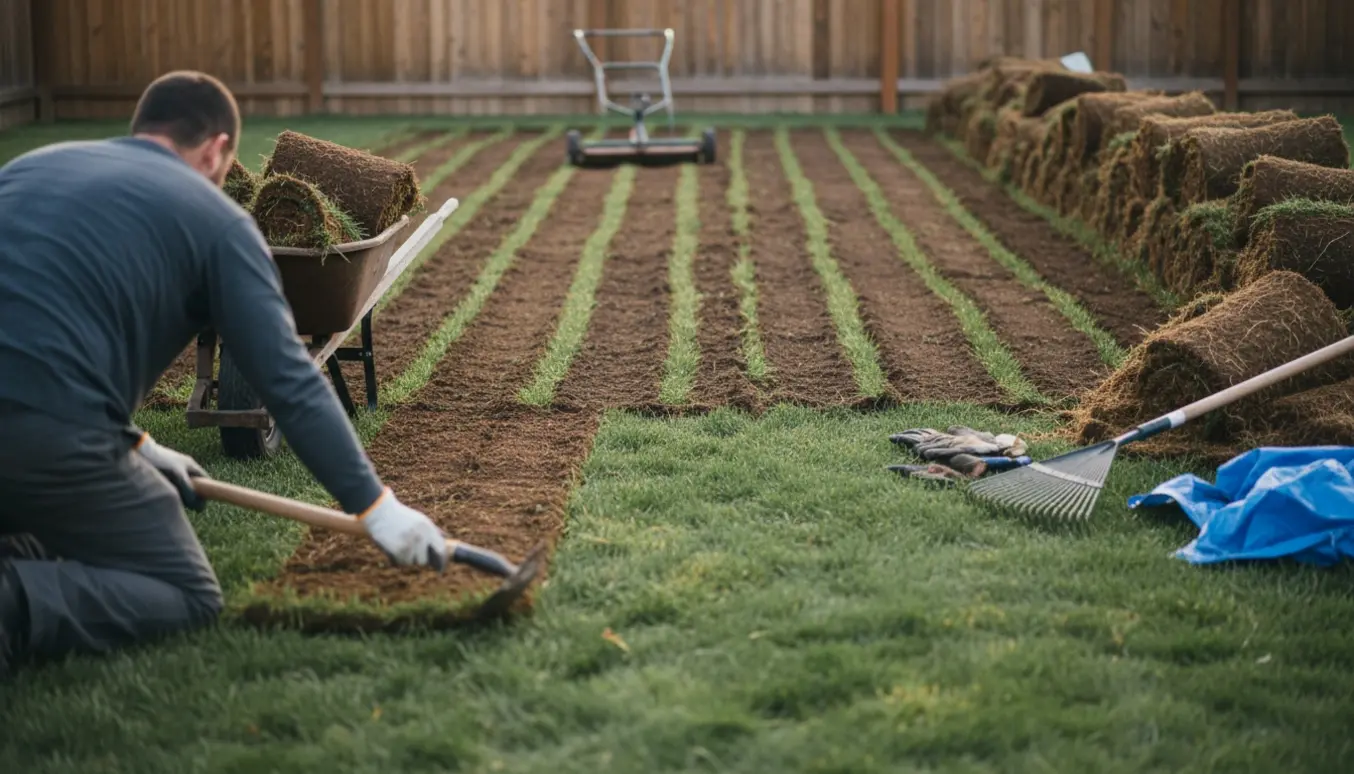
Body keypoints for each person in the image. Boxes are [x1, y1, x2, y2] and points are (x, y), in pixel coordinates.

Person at [0, 70, 449, 678]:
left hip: (46, 420)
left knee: (110, 505)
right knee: (185, 590)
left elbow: (37, 324)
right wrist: (377, 509)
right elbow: (288, 381)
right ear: (216, 150)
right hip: (42, 434)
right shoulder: (217, 222)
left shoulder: (28, 168)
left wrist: (139, 444)